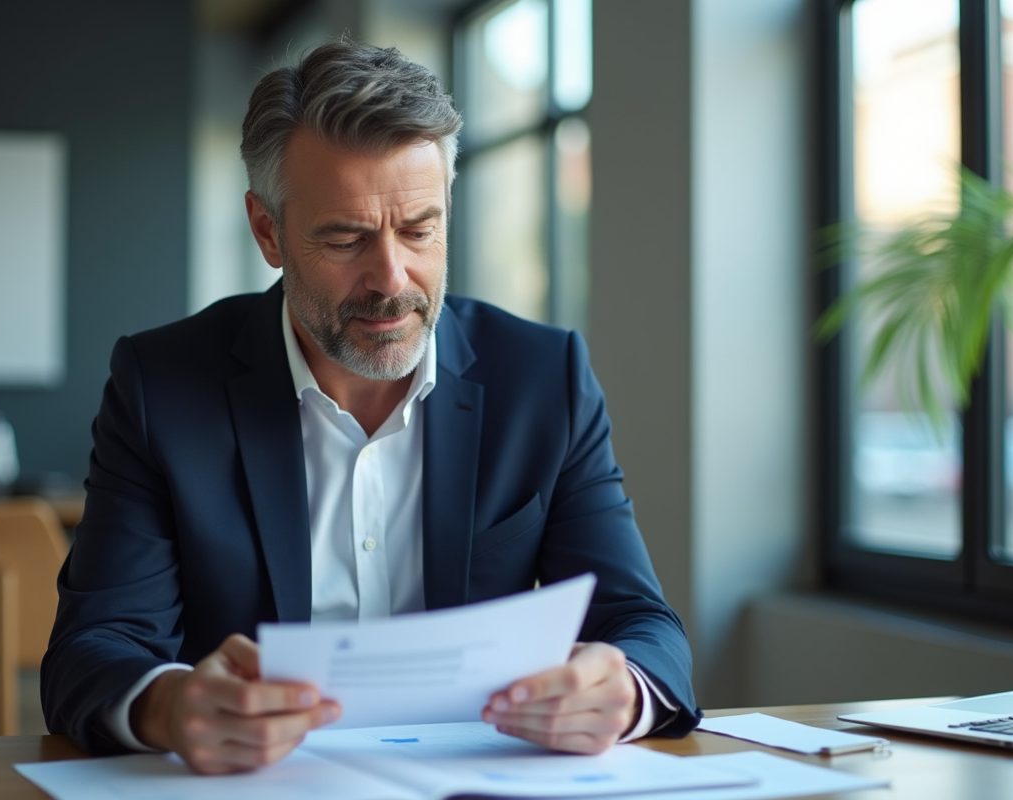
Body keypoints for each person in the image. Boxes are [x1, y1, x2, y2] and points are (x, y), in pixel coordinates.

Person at [42, 38, 700, 774]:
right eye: (346, 239)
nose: (391, 278)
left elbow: (643, 625)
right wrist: (170, 705)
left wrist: (622, 689)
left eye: (419, 229)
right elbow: (92, 648)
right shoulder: (160, 386)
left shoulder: (544, 380)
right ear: (268, 231)